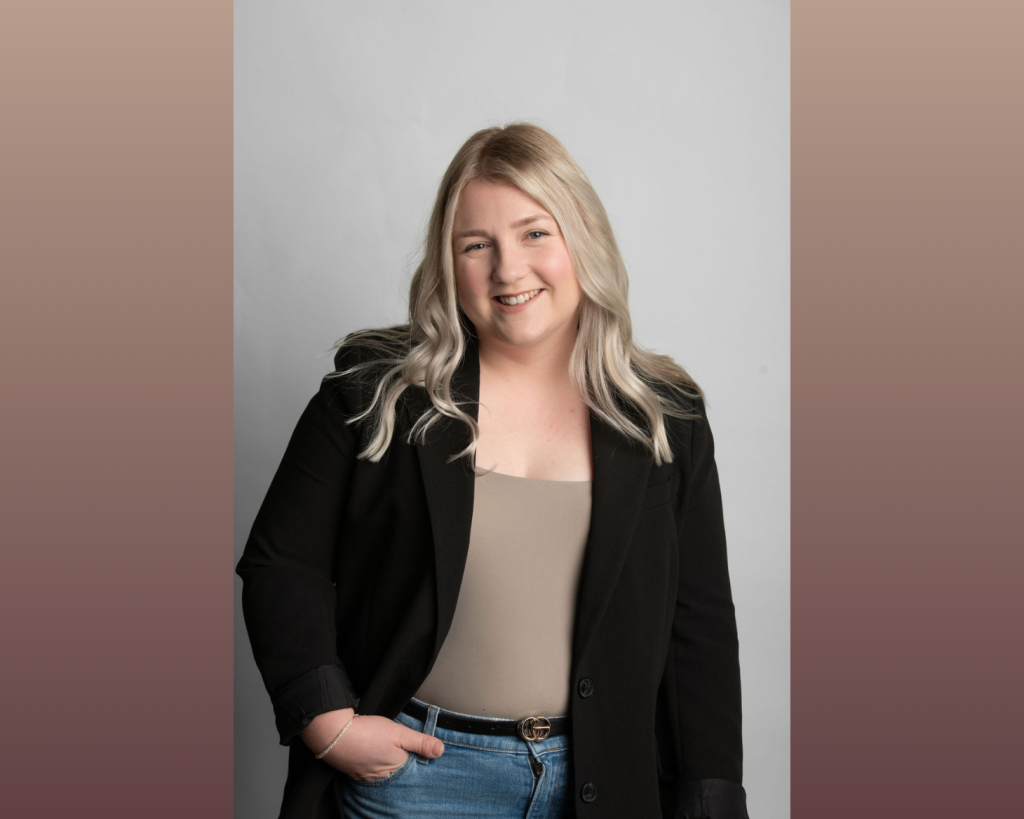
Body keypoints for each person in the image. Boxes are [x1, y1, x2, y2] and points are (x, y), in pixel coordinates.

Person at [236, 122, 749, 819]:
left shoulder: (665, 417)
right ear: (450, 266)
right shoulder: (376, 396)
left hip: (605, 783)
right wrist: (328, 721)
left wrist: (712, 803)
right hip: (418, 781)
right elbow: (280, 565)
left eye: (535, 233)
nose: (509, 270)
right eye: (477, 245)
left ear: (582, 239)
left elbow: (701, 632)